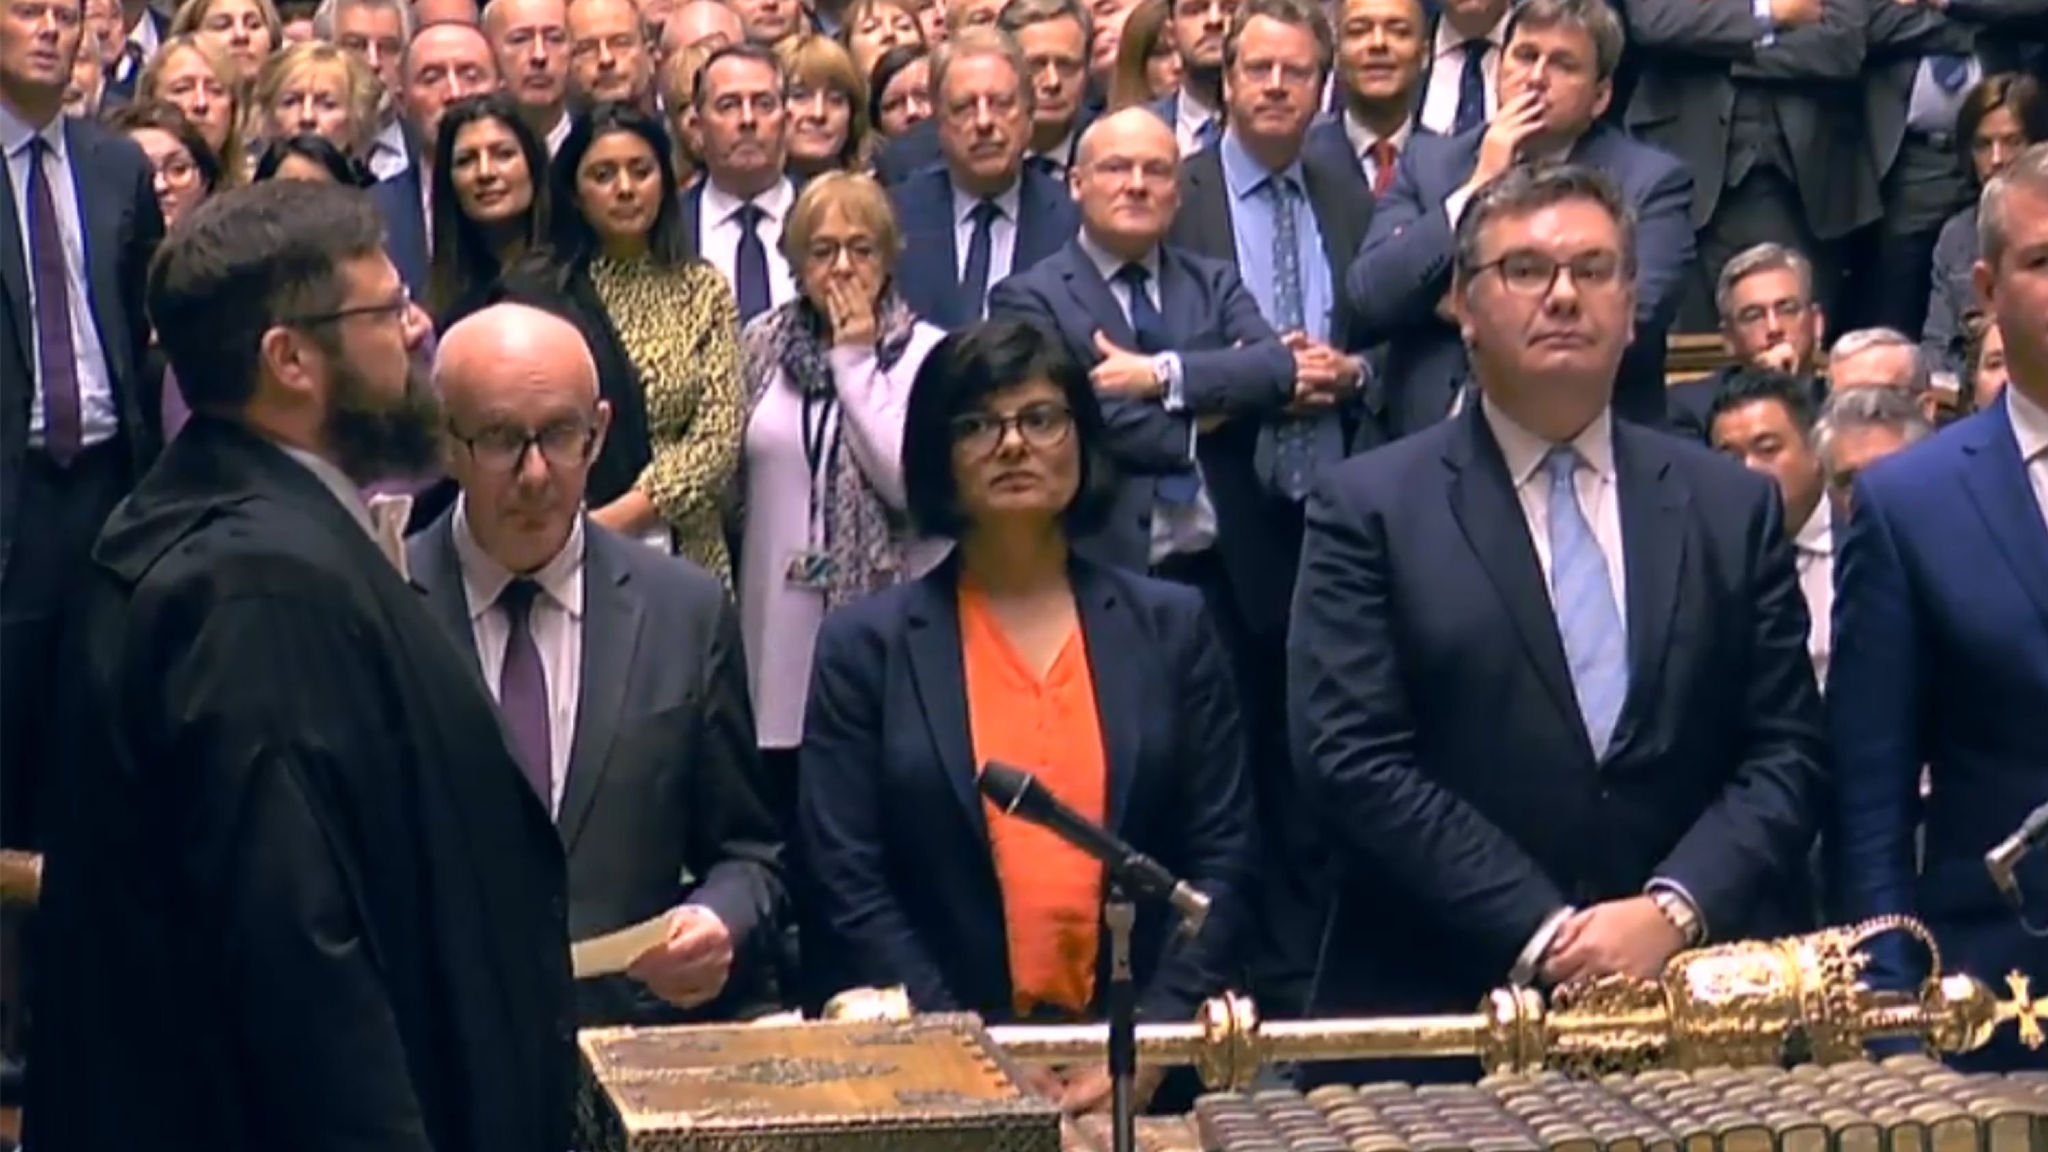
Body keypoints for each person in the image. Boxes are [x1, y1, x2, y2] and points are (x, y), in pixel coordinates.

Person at [25, 181, 574, 1152]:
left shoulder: (229, 526)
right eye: (386, 309)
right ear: (289, 359)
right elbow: (297, 955)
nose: (417, 328)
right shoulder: (256, 587)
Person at [1288, 165, 1823, 1082]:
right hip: (1444, 1015)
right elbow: (1350, 759)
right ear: (1463, 306)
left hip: (1698, 1017)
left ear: (1632, 304)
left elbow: (1787, 752)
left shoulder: (1727, 505)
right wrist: (1548, 934)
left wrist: (1673, 908)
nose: (1565, 295)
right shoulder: (1367, 507)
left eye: (1594, 269)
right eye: (1527, 270)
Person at [798, 318, 1252, 1110]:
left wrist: (1146, 1049)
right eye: (977, 425)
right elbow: (847, 878)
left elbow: (1225, 855)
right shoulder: (865, 647)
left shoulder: (1172, 626)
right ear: (938, 454)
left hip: (1141, 1070)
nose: (1013, 445)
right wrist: (972, 1054)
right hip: (937, 1077)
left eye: (1041, 418)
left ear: (1082, 439)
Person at [409, 303, 786, 1026]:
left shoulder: (684, 612)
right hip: (443, 1051)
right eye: (500, 439)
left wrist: (720, 918)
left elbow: (750, 853)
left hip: (627, 1043)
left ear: (600, 431)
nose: (535, 475)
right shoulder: (381, 602)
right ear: (445, 441)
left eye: (560, 435)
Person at [1829, 145, 2048, 1071]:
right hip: (2005, 994)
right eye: (2045, 260)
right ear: (1988, 290)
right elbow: (1871, 797)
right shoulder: (1909, 503)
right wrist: (1890, 1013)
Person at [736, 171, 952, 830]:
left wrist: (854, 362)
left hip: (883, 617)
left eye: (861, 249)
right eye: (823, 250)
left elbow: (906, 482)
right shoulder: (761, 344)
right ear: (796, 263)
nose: (842, 269)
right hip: (772, 621)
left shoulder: (925, 354)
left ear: (889, 258)